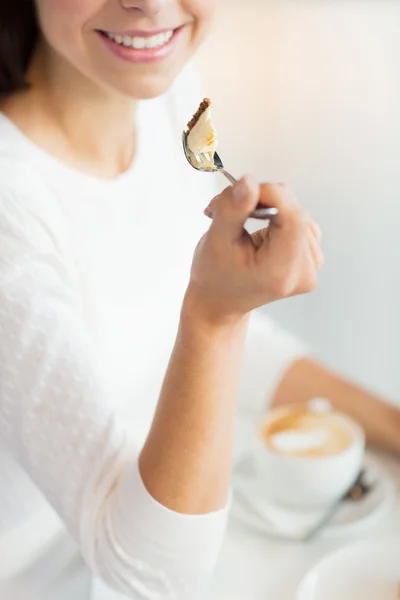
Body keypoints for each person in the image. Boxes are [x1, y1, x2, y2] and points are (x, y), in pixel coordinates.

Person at [0, 2, 393, 600]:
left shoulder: (166, 89)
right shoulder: (14, 215)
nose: (151, 5)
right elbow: (149, 574)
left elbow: (213, 342)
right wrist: (217, 317)